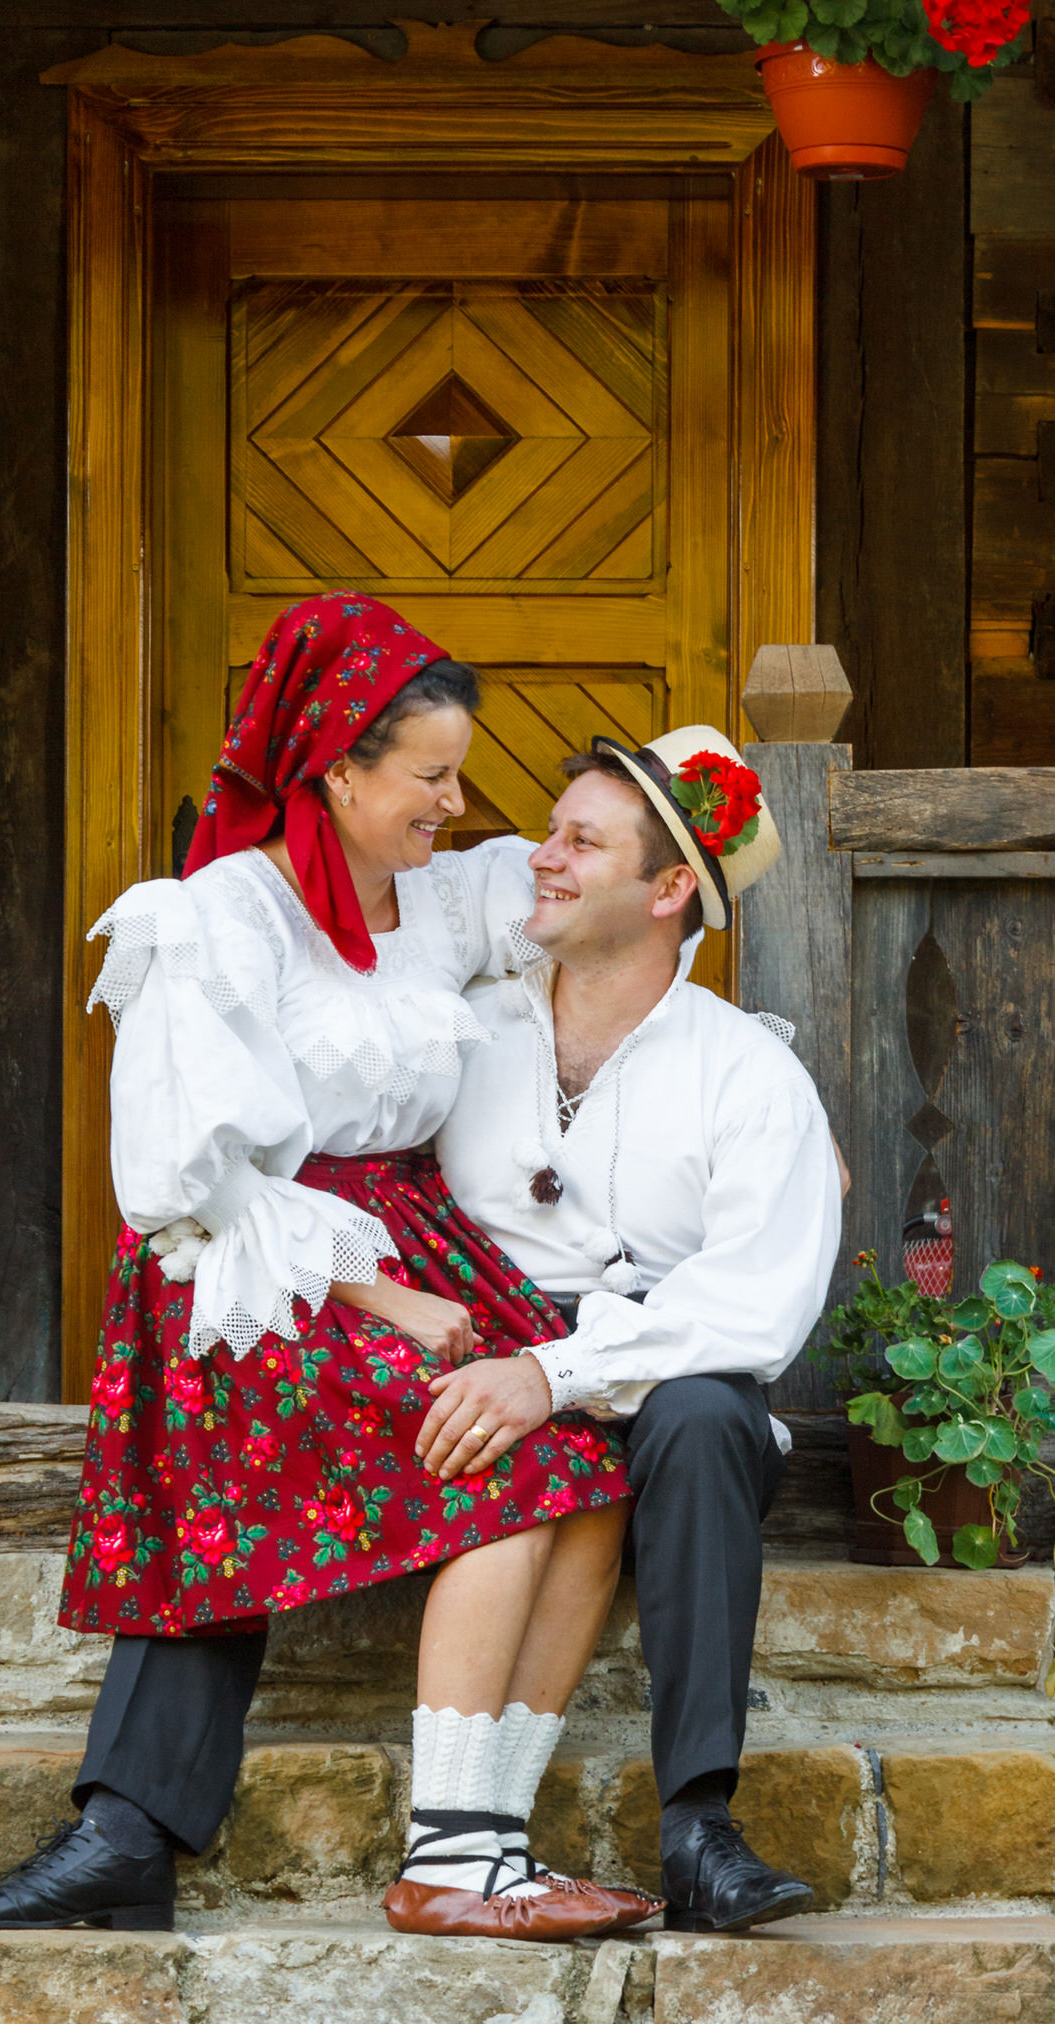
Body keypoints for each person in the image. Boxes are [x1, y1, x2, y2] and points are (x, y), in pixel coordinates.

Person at [0, 594, 648, 1943]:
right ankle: (432, 1854)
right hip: (259, 1261)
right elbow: (183, 1185)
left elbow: (631, 884)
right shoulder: (217, 917)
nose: (458, 802)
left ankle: (475, 1839)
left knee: (589, 1464)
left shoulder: (442, 900)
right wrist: (386, 1294)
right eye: (431, 774)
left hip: (416, 1242)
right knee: (517, 1462)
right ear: (336, 769)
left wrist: (738, 1059)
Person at [425, 726, 843, 1935]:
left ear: (667, 892)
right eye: (551, 832)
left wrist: (555, 1371)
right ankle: (458, 1839)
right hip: (474, 1361)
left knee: (709, 1416)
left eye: (580, 840)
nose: (539, 856)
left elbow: (754, 1304)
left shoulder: (747, 1071)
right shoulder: (461, 1029)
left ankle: (699, 1825)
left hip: (659, 1375)